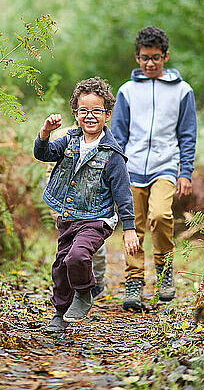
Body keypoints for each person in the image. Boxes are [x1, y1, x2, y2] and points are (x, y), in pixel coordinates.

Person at [34, 77, 139, 334]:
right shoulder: (69, 140)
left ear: (107, 114)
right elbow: (43, 154)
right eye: (84, 111)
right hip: (69, 215)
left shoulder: (112, 154)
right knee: (61, 265)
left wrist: (129, 228)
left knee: (78, 256)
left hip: (97, 218)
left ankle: (84, 291)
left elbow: (123, 193)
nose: (90, 116)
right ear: (75, 113)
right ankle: (59, 313)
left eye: (96, 111)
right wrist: (45, 133)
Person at [111, 26, 197, 311]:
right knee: (132, 226)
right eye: (145, 57)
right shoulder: (127, 91)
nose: (150, 63)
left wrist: (185, 171)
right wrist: (114, 172)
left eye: (156, 57)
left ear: (166, 56)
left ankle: (164, 271)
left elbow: (187, 134)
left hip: (165, 166)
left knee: (160, 215)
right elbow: (118, 136)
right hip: (130, 168)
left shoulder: (182, 91)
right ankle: (134, 282)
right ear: (137, 57)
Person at [44, 125, 107, 300]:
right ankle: (73, 291)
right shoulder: (62, 136)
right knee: (68, 252)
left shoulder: (103, 137)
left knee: (96, 250)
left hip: (93, 208)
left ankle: (98, 282)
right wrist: (55, 208)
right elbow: (51, 171)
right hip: (67, 207)